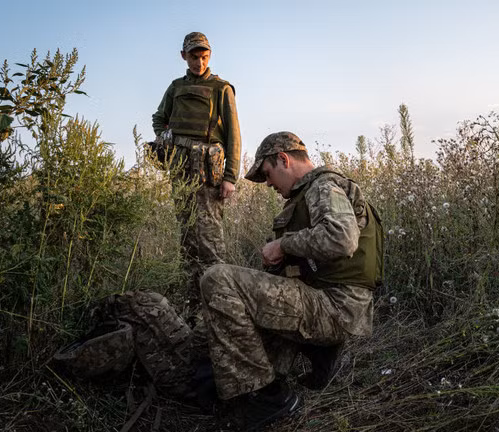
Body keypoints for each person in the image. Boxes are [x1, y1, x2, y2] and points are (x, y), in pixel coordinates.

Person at [199, 131, 382, 429]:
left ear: (283, 159)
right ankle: (317, 354)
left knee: (218, 279)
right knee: (216, 360)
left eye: (268, 174)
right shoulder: (307, 195)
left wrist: (283, 245)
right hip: (329, 303)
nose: (269, 184)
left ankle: (271, 399)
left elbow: (342, 239)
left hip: (334, 307)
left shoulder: (323, 186)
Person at [152, 32, 242, 310]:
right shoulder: (175, 87)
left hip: (209, 174)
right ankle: (193, 304)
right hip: (180, 173)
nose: (199, 62)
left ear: (209, 56)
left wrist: (230, 177)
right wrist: (164, 138)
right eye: (193, 57)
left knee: (211, 242)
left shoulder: (221, 88)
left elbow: (234, 137)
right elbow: (159, 118)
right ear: (184, 56)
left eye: (203, 57)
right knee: (187, 238)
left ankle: (220, 304)